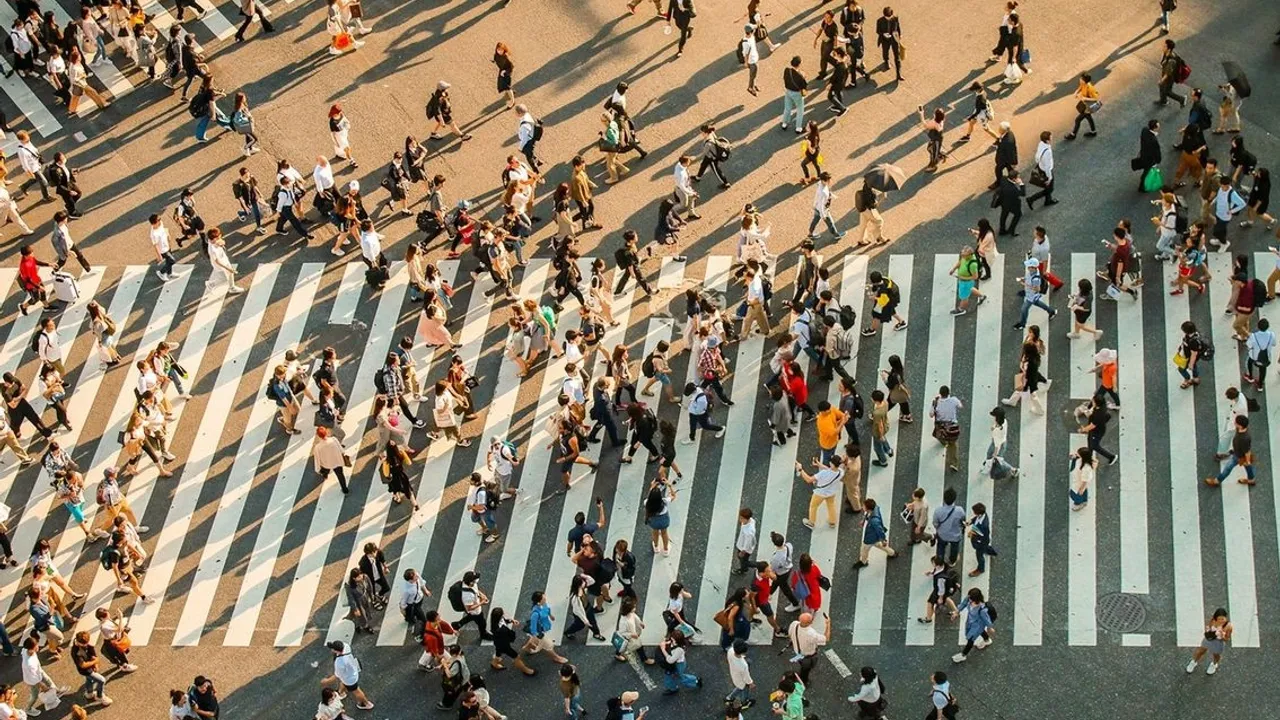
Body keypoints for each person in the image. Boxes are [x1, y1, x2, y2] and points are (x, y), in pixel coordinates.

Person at [797, 457, 843, 530]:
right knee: (831, 505)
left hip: (820, 493)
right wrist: (819, 464)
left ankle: (811, 523)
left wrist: (800, 469)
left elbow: (809, 480)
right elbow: (830, 469)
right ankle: (832, 522)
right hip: (831, 492)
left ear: (832, 464)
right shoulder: (840, 472)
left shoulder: (823, 473)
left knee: (813, 506)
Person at [951, 588, 995, 662]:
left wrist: (990, 627)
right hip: (970, 622)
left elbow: (986, 619)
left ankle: (963, 655)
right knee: (979, 632)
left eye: (971, 599)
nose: (969, 600)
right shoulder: (969, 599)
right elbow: (963, 604)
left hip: (978, 625)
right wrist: (957, 612)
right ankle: (987, 640)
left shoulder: (982, 610)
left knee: (971, 639)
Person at [1186, 608, 1233, 675]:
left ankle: (1214, 664)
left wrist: (1222, 636)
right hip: (1209, 639)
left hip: (1218, 642)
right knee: (1201, 651)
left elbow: (1227, 639)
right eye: (1219, 619)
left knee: (1216, 655)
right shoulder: (1213, 620)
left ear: (1226, 617)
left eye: (1222, 619)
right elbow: (1209, 626)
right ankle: (1194, 662)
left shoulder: (1229, 626)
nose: (1220, 621)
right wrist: (1209, 630)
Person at [787, 611, 829, 684]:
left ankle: (802, 676)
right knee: (805, 670)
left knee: (803, 666)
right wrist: (828, 624)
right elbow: (826, 638)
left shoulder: (794, 624)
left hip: (798, 651)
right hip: (808, 657)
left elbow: (790, 634)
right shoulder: (811, 633)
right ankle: (803, 681)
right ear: (809, 623)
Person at [1025, 131, 1057, 209]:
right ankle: (1031, 199)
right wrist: (1049, 178)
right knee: (1050, 188)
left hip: (1040, 167)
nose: (1052, 137)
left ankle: (1048, 200)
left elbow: (1037, 158)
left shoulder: (1041, 144)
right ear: (1047, 140)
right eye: (1050, 137)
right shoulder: (1048, 152)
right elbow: (1047, 167)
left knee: (1047, 187)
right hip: (1046, 171)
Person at [1065, 73, 1101, 140]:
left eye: (1081, 79)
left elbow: (1096, 98)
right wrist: (1076, 92)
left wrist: (1085, 98)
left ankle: (1073, 135)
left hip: (1088, 107)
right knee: (1089, 118)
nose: (1079, 79)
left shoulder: (1090, 88)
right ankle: (1093, 132)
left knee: (1078, 120)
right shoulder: (1083, 84)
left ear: (1084, 81)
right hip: (1086, 105)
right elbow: (1080, 87)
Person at [874, 6, 902, 80]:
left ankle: (898, 74)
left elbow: (898, 26)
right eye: (886, 17)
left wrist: (900, 35)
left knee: (897, 55)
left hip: (894, 39)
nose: (888, 19)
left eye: (889, 17)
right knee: (885, 52)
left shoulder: (895, 18)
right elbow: (878, 31)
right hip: (885, 40)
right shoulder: (879, 21)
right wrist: (883, 34)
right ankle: (886, 61)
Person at [1156, 39, 1187, 107]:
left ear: (1169, 49)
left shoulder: (1171, 60)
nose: (1162, 47)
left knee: (1167, 92)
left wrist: (1161, 80)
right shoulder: (1166, 53)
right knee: (1161, 86)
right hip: (1165, 75)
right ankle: (1163, 101)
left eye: (1164, 46)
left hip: (1169, 79)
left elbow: (1168, 73)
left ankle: (1182, 99)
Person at [781, 56, 807, 133]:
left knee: (787, 108)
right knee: (800, 110)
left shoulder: (786, 70)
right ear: (799, 64)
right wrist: (804, 76)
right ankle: (798, 127)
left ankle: (784, 123)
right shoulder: (800, 76)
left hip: (788, 91)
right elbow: (804, 86)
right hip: (797, 93)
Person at [991, 121, 1018, 190]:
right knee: (1000, 170)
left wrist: (1014, 163)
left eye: (1000, 128)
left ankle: (1005, 183)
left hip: (1005, 159)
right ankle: (1001, 182)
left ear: (1004, 130)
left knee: (1001, 170)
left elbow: (1011, 152)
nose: (998, 129)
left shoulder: (1008, 141)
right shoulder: (1008, 133)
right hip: (1004, 158)